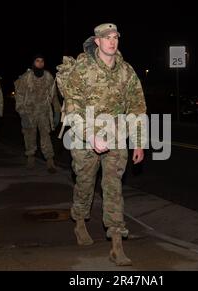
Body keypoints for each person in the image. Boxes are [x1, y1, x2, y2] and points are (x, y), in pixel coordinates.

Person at [57, 23, 147, 266]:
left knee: (113, 187)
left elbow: (137, 107)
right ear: (97, 41)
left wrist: (139, 142)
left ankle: (117, 243)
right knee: (85, 183)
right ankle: (79, 221)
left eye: (115, 36)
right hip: (84, 136)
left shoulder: (126, 71)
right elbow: (73, 107)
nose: (112, 40)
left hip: (116, 136)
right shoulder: (82, 70)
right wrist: (90, 135)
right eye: (107, 37)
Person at [14, 55, 61, 172]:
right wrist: (22, 113)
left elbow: (54, 95)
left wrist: (57, 112)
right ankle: (30, 158)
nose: (40, 63)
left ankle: (50, 161)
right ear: (33, 63)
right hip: (29, 113)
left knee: (46, 136)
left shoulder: (48, 77)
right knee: (29, 136)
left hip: (44, 113)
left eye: (42, 61)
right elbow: (19, 96)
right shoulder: (26, 77)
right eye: (37, 61)